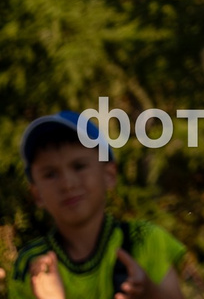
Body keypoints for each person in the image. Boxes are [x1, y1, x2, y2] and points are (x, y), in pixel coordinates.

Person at [10, 114, 185, 299]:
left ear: (109, 174)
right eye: (50, 174)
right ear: (36, 193)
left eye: (79, 166)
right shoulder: (31, 266)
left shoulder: (144, 241)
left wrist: (149, 291)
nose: (67, 184)